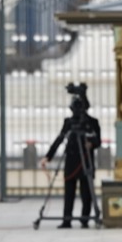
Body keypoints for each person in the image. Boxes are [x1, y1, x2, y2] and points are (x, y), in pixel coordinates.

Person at [40, 92, 101, 229]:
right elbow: (60, 139)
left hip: (85, 161)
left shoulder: (92, 122)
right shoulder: (69, 122)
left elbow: (98, 141)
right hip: (71, 160)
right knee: (69, 192)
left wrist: (91, 143)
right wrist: (48, 156)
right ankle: (67, 219)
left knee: (86, 192)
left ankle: (85, 218)